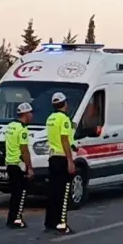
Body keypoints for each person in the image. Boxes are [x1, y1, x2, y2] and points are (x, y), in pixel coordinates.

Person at [44, 92, 77, 234]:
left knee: (53, 192)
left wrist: (74, 145)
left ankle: (50, 223)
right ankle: (61, 224)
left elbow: (62, 138)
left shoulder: (50, 118)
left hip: (52, 158)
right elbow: (64, 140)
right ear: (65, 103)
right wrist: (70, 160)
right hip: (62, 158)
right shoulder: (64, 119)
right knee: (63, 193)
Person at [4, 102, 35, 228]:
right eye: (30, 113)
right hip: (18, 165)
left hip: (9, 163)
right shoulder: (22, 130)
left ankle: (11, 219)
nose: (32, 115)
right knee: (20, 194)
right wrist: (30, 168)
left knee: (14, 194)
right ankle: (16, 219)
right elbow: (24, 150)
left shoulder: (10, 126)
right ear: (26, 114)